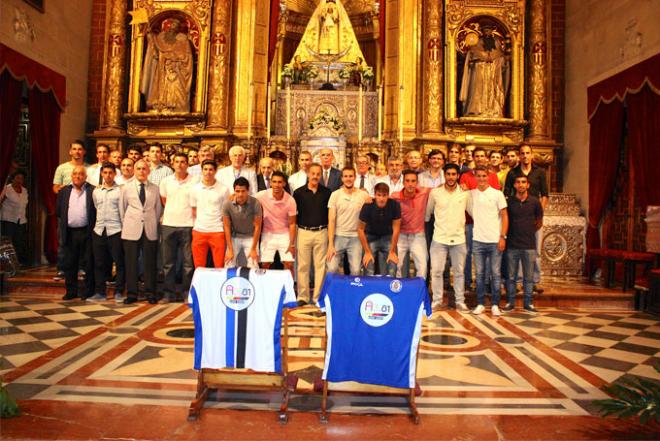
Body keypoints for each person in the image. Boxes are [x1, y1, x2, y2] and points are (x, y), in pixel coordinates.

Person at [504, 145, 549, 293]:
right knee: (516, 249)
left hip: (534, 216)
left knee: (535, 249)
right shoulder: (512, 173)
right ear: (519, 155)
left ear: (532, 155)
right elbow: (507, 194)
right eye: (522, 153)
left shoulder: (540, 172)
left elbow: (545, 195)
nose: (525, 156)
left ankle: (534, 280)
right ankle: (517, 281)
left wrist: (539, 214)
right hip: (517, 216)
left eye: (527, 153)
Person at [425, 164, 470, 311]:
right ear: (444, 175)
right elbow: (428, 214)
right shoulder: (435, 193)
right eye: (448, 174)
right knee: (436, 271)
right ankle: (437, 301)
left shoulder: (465, 193)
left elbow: (473, 212)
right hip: (439, 238)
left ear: (458, 176)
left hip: (459, 239)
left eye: (453, 174)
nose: (451, 177)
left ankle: (460, 301)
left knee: (459, 272)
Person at [120, 159, 162, 304]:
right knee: (131, 263)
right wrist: (129, 223)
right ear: (134, 170)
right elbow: (122, 209)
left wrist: (151, 222)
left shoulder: (155, 188)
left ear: (148, 171)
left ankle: (150, 293)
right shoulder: (125, 187)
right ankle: (132, 294)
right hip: (131, 229)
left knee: (149, 263)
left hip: (149, 229)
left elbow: (158, 210)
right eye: (138, 168)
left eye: (144, 168)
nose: (141, 171)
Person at [468, 166, 508, 316]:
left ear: (489, 177)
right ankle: (480, 303)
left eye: (484, 176)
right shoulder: (470, 194)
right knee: (479, 274)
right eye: (478, 176)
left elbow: (504, 216)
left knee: (495, 273)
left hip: (494, 240)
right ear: (475, 177)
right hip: (478, 240)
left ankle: (495, 304)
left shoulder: (497, 194)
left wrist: (502, 236)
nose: (481, 179)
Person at [160, 152, 197, 303]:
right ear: (172, 164)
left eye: (183, 162)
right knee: (168, 262)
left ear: (187, 164)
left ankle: (186, 292)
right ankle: (168, 293)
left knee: (188, 263)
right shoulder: (166, 181)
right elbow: (164, 200)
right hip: (169, 224)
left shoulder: (195, 181)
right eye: (177, 162)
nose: (180, 164)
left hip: (188, 224)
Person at [504, 175, 543, 314]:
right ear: (514, 185)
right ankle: (510, 303)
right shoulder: (509, 202)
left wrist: (529, 231)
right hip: (512, 244)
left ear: (528, 185)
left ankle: (528, 303)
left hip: (529, 245)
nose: (521, 185)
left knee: (528, 277)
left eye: (523, 182)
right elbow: (504, 220)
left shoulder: (535, 202)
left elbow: (539, 221)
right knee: (511, 277)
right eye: (518, 182)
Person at [294, 164, 332, 305]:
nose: (315, 176)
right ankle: (303, 297)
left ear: (321, 175)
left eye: (318, 174)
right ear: (308, 174)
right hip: (303, 231)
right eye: (313, 173)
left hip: (322, 232)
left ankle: (317, 297)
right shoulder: (298, 193)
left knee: (320, 266)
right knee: (303, 266)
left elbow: (330, 215)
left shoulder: (327, 192)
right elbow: (294, 214)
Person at [56, 166, 96, 301]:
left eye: (81, 174)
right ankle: (71, 291)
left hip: (87, 231)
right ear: (71, 176)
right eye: (75, 174)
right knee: (70, 263)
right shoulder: (64, 191)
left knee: (88, 263)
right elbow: (59, 211)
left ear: (85, 176)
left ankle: (87, 291)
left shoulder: (92, 190)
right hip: (70, 232)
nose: (78, 176)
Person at [52, 140, 90, 280]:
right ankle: (62, 268)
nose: (77, 151)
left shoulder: (89, 168)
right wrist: (65, 189)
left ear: (84, 152)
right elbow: (55, 187)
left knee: (83, 243)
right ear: (70, 151)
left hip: (83, 210)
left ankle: (81, 268)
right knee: (64, 241)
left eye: (80, 149)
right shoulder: (62, 168)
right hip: (67, 209)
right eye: (74, 149)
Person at [88, 162, 125, 303]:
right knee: (99, 263)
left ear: (115, 174)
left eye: (111, 172)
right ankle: (100, 292)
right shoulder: (96, 191)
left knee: (119, 262)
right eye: (105, 172)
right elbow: (96, 207)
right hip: (99, 230)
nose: (108, 175)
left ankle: (119, 292)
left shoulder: (121, 190)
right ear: (102, 174)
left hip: (115, 230)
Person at [140, 18, 193, 112]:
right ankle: (161, 105)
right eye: (171, 25)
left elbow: (186, 56)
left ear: (178, 29)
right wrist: (149, 35)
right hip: (162, 69)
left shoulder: (182, 39)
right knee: (160, 88)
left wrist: (174, 59)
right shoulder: (161, 37)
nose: (172, 28)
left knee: (177, 90)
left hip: (176, 70)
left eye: (175, 26)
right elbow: (155, 50)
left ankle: (176, 108)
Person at [326, 167, 371, 275]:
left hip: (356, 238)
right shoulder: (335, 195)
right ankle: (334, 291)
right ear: (342, 178)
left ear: (355, 178)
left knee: (355, 270)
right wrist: (331, 244)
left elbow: (369, 217)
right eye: (345, 176)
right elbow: (331, 220)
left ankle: (352, 292)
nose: (348, 178)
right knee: (331, 268)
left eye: (351, 176)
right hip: (338, 236)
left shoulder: (363, 195)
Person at [459, 24, 509, 117]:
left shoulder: (497, 42)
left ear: (491, 31)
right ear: (482, 31)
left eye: (488, 29)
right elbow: (473, 54)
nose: (487, 31)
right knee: (478, 90)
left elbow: (500, 55)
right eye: (485, 29)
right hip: (480, 71)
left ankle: (494, 110)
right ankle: (477, 110)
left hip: (494, 71)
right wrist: (483, 57)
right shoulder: (478, 42)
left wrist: (497, 59)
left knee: (493, 90)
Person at [190, 160, 229, 268]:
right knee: (199, 266)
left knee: (219, 266)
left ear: (215, 171)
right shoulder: (195, 189)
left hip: (217, 231)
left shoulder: (224, 189)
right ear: (202, 171)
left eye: (211, 169)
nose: (208, 172)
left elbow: (225, 212)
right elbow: (194, 210)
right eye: (205, 169)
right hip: (199, 231)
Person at [256, 171, 296, 275]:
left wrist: (292, 244)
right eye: (274, 182)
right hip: (267, 234)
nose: (276, 185)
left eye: (279, 182)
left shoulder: (290, 200)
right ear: (270, 183)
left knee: (289, 264)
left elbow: (292, 224)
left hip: (284, 234)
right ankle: (265, 289)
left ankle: (289, 290)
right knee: (265, 264)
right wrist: (233, 196)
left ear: (284, 184)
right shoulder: (262, 195)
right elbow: (248, 198)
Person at [392, 170, 430, 279]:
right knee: (396, 265)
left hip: (418, 235)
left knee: (422, 266)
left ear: (417, 182)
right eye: (407, 181)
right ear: (403, 182)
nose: (410, 184)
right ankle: (397, 291)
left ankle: (418, 292)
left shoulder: (424, 192)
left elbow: (440, 189)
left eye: (413, 181)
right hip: (400, 236)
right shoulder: (395, 196)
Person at [358, 182, 401, 276]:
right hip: (371, 237)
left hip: (387, 237)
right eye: (379, 195)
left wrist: (392, 251)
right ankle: (369, 290)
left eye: (384, 195)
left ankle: (387, 290)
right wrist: (367, 252)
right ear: (375, 195)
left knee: (392, 269)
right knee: (369, 269)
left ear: (388, 195)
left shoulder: (394, 205)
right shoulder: (367, 206)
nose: (381, 198)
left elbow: (396, 229)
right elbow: (360, 229)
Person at [223, 177, 262, 268]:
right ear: (234, 191)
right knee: (228, 263)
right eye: (237, 191)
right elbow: (226, 226)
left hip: (251, 237)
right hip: (234, 236)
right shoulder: (227, 204)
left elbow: (257, 227)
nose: (240, 194)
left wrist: (253, 249)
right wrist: (230, 250)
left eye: (243, 191)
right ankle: (230, 282)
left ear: (248, 190)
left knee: (254, 264)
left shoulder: (255, 203)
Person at [0, 170, 29, 265]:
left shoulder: (24, 190)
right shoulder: (6, 189)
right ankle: (7, 263)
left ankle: (17, 262)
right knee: (8, 242)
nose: (19, 180)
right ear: (13, 178)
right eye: (18, 178)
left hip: (21, 220)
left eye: (22, 178)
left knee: (19, 242)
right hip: (8, 219)